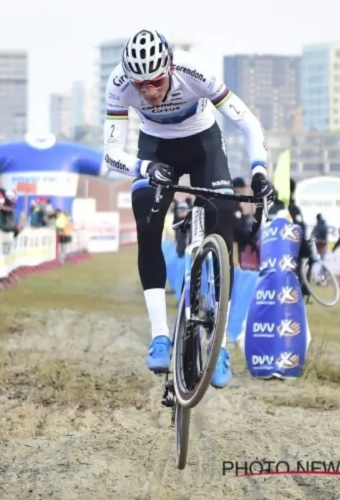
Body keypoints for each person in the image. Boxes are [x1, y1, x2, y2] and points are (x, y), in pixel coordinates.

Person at [102, 29, 274, 388]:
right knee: (146, 219)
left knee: (223, 224)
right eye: (141, 84)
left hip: (203, 145)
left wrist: (259, 171)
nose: (149, 91)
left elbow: (247, 121)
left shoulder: (194, 71)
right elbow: (109, 153)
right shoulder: (118, 84)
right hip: (155, 149)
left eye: (156, 81)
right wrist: (143, 168)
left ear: (169, 66)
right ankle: (160, 335)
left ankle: (220, 346)